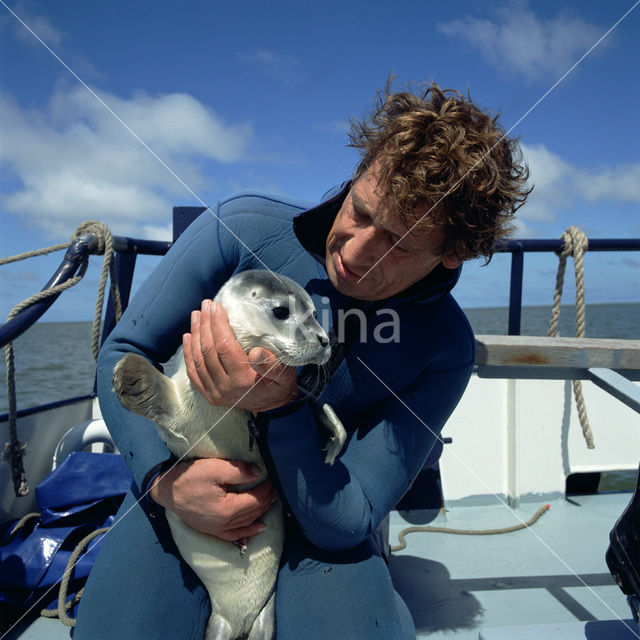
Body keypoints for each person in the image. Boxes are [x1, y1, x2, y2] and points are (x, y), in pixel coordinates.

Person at [75, 82, 530, 639]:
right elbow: (124, 354)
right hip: (183, 486)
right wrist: (162, 481)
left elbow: (349, 519)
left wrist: (281, 409)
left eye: (400, 244)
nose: (357, 253)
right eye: (359, 211)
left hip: (322, 518)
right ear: (358, 174)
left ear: (452, 252)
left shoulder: (444, 347)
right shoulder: (241, 230)